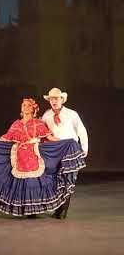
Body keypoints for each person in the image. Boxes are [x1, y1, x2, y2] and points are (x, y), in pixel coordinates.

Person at [0, 98, 86, 218]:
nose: (25, 107)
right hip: (19, 155)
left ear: (33, 109)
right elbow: (6, 138)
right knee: (22, 183)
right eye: (23, 105)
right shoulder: (16, 124)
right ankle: (27, 210)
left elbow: (50, 138)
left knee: (33, 182)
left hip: (34, 154)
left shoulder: (38, 123)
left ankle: (36, 211)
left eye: (28, 105)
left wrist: (67, 142)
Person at [41, 88, 89, 219]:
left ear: (62, 99)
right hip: (54, 150)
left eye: (56, 98)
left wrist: (84, 148)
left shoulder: (72, 114)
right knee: (55, 179)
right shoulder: (46, 115)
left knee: (68, 177)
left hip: (70, 148)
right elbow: (42, 133)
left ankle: (63, 211)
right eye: (51, 99)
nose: (54, 101)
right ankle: (57, 208)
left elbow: (81, 130)